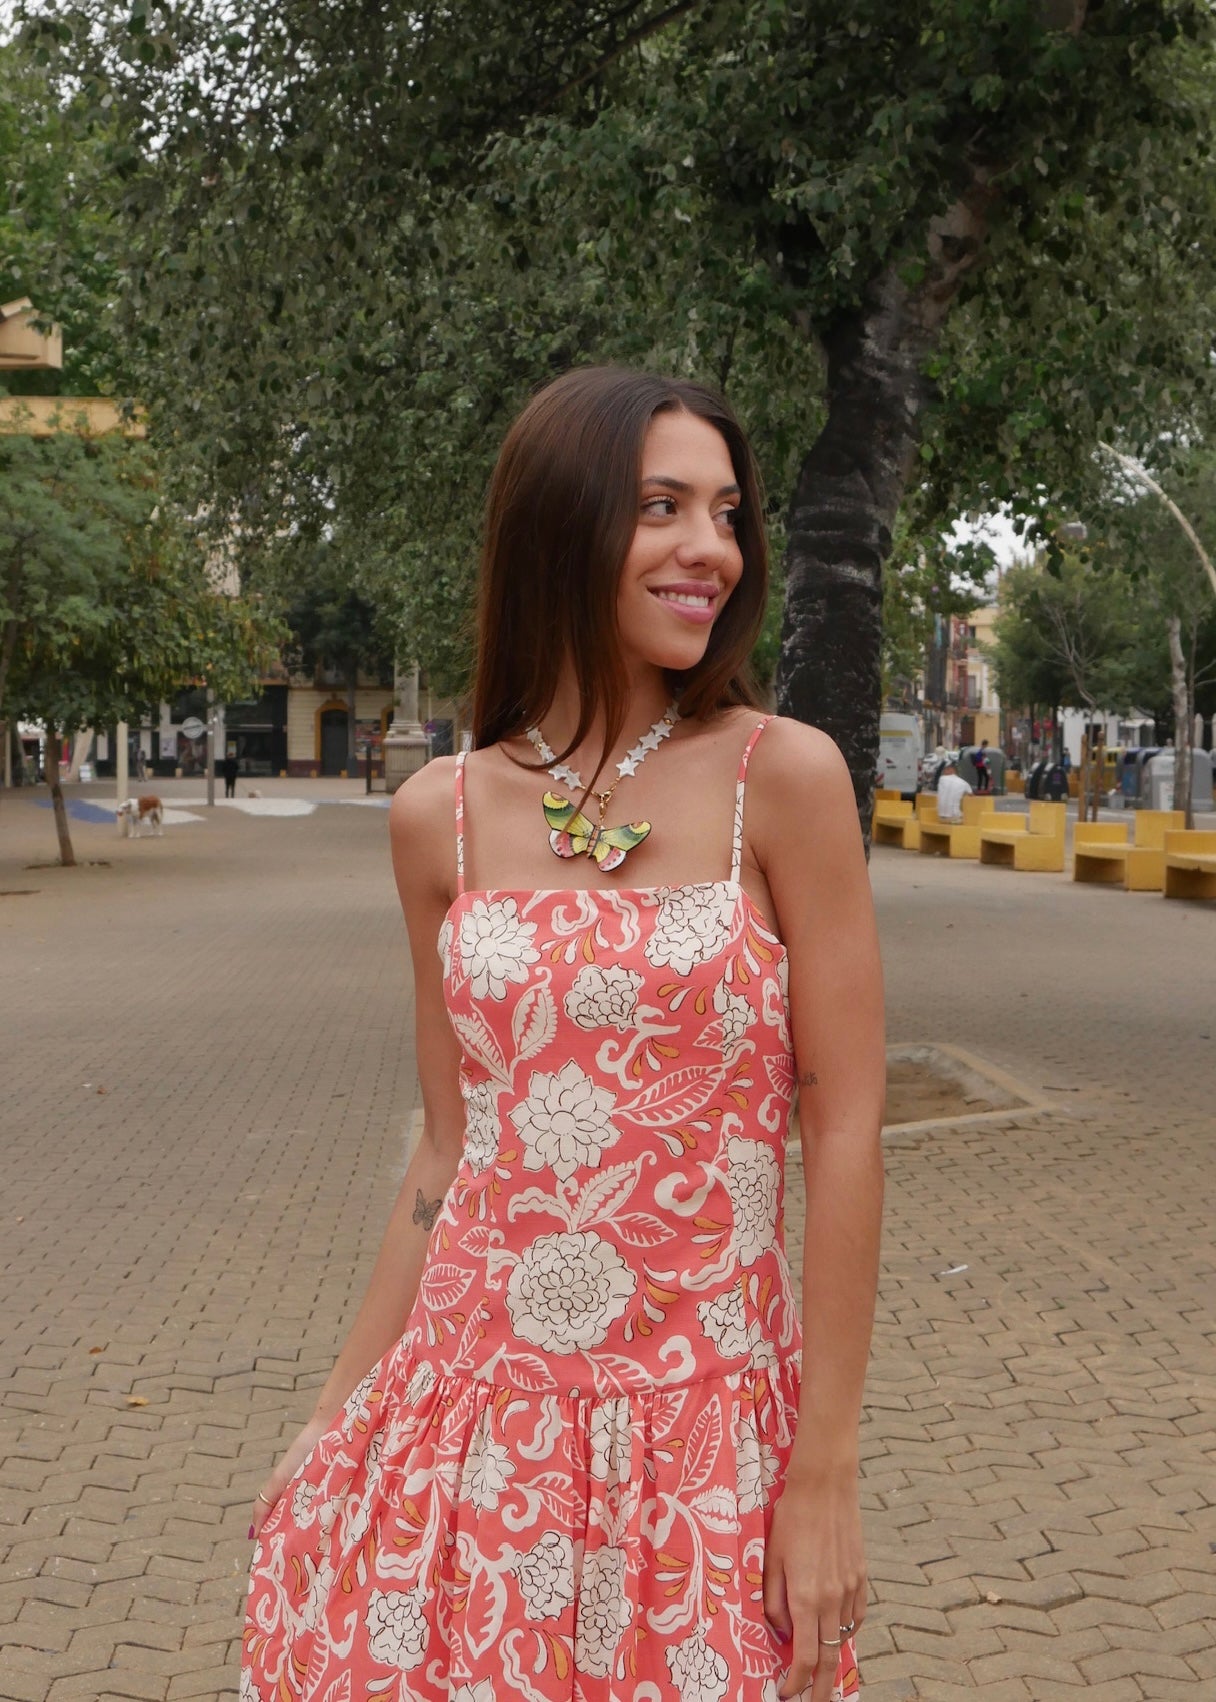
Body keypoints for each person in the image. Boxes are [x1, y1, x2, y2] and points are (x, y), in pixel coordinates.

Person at [242, 367, 884, 1702]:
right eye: (662, 506)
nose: (710, 548)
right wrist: (334, 1411)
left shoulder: (784, 778)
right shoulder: (440, 815)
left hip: (701, 1436)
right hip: (473, 1423)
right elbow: (447, 1151)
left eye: (726, 513)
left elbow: (844, 1129)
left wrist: (822, 1468)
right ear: (559, 523)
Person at [936, 759, 973, 823]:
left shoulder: (941, 779)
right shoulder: (964, 783)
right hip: (954, 817)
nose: (943, 771)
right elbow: (972, 797)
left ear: (952, 770)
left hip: (940, 816)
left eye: (945, 769)